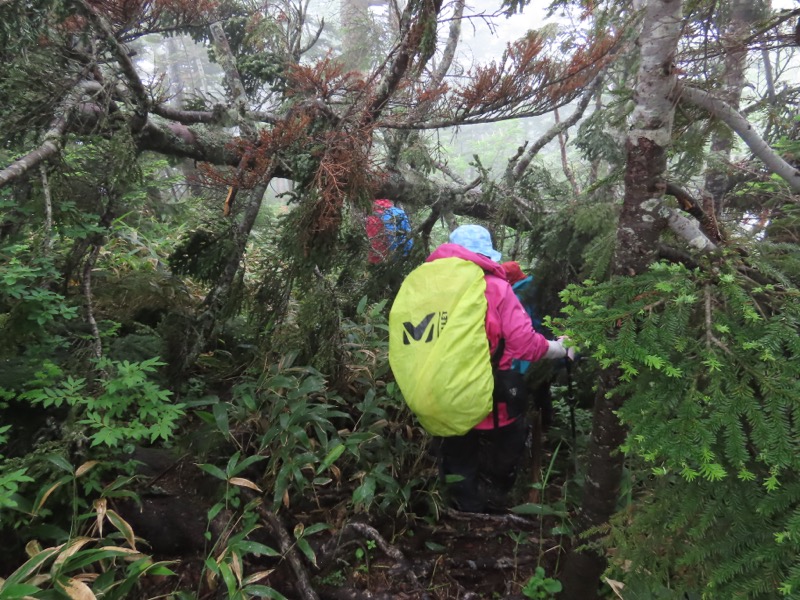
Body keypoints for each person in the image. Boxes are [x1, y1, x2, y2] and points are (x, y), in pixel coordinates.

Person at [430, 225, 572, 513]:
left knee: (457, 442)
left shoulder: (432, 285)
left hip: (443, 386)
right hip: (492, 390)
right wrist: (559, 348)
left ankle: (464, 502)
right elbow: (524, 343)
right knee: (509, 438)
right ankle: (494, 495)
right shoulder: (495, 287)